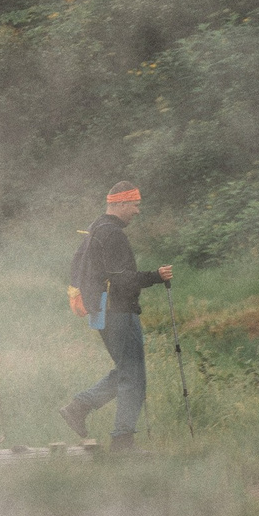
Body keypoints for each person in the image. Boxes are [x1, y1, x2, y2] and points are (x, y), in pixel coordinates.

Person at [60, 182, 172, 449]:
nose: (137, 210)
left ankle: (79, 407)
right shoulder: (113, 234)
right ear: (121, 203)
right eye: (135, 205)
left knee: (126, 370)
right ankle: (122, 441)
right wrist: (155, 276)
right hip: (118, 310)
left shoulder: (95, 229)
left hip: (100, 309)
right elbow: (123, 280)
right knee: (133, 376)